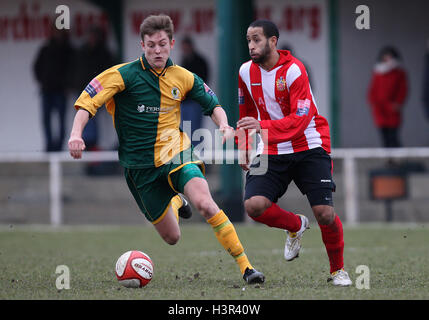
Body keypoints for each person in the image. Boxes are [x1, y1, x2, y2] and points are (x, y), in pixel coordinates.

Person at [68, 14, 264, 284]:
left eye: (162, 44)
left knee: (206, 204)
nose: (157, 51)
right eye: (151, 45)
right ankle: (175, 199)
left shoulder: (182, 77)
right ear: (142, 45)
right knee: (172, 238)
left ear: (171, 43)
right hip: (139, 167)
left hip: (176, 152)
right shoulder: (121, 75)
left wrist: (224, 125)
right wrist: (76, 134)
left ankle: (246, 267)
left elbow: (213, 104)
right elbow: (86, 103)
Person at [235, 19, 352, 286]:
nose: (251, 45)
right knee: (254, 206)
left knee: (324, 213)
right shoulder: (244, 71)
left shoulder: (295, 71)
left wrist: (261, 126)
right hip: (272, 148)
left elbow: (299, 121)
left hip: (308, 144)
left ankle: (337, 271)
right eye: (248, 40)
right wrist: (243, 144)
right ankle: (294, 225)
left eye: (256, 40)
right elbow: (245, 112)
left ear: (272, 42)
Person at [33, 26, 75, 152]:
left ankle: (59, 146)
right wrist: (42, 81)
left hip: (61, 91)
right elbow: (36, 67)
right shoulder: (45, 49)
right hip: (46, 90)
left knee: (61, 120)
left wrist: (67, 85)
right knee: (46, 120)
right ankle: (49, 146)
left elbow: (73, 70)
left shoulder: (68, 50)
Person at [368, 46, 408, 148]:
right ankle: (389, 161)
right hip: (380, 109)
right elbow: (373, 89)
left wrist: (398, 103)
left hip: (392, 109)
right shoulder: (378, 72)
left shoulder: (399, 73)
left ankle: (398, 160)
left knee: (393, 136)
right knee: (384, 136)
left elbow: (402, 90)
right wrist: (373, 103)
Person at [180, 36, 209, 146]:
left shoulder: (200, 61)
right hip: (184, 102)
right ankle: (189, 157)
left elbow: (203, 82)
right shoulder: (184, 60)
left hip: (195, 102)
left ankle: (198, 157)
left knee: (195, 131)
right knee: (185, 131)